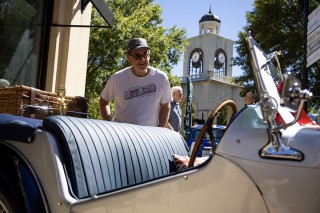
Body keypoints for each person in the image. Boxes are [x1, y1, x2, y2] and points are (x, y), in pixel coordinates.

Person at [99, 38, 172, 127]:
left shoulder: (161, 78)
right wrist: (109, 125)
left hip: (149, 137)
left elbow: (165, 106)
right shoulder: (117, 78)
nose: (142, 59)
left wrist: (160, 130)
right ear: (128, 57)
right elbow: (103, 102)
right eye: (137, 55)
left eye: (145, 54)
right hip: (122, 135)